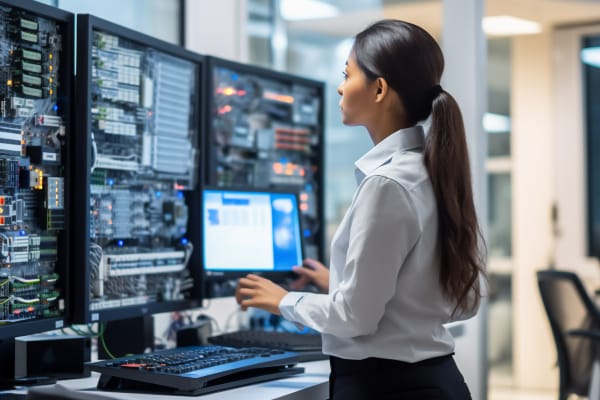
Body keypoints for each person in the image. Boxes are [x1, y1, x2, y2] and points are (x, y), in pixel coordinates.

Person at [235, 19, 486, 400]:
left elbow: (356, 318)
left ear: (380, 89)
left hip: (385, 388)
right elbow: (462, 300)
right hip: (432, 383)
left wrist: (281, 299)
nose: (340, 86)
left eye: (347, 74)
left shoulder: (386, 184)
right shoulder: (431, 171)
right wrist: (341, 284)